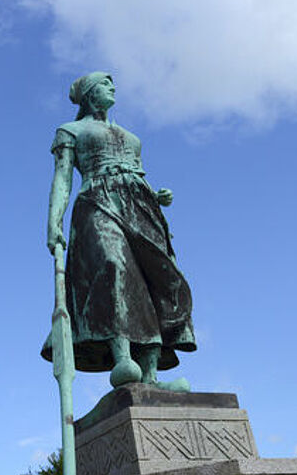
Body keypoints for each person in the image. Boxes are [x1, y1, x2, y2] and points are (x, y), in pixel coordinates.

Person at [42, 72, 196, 390]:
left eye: (113, 85)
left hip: (141, 209)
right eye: (104, 84)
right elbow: (62, 179)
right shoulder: (70, 131)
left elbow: (137, 175)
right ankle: (122, 355)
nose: (112, 88)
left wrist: (156, 196)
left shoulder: (131, 137)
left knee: (155, 282)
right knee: (113, 267)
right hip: (96, 201)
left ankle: (151, 375)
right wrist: (53, 223)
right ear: (88, 94)